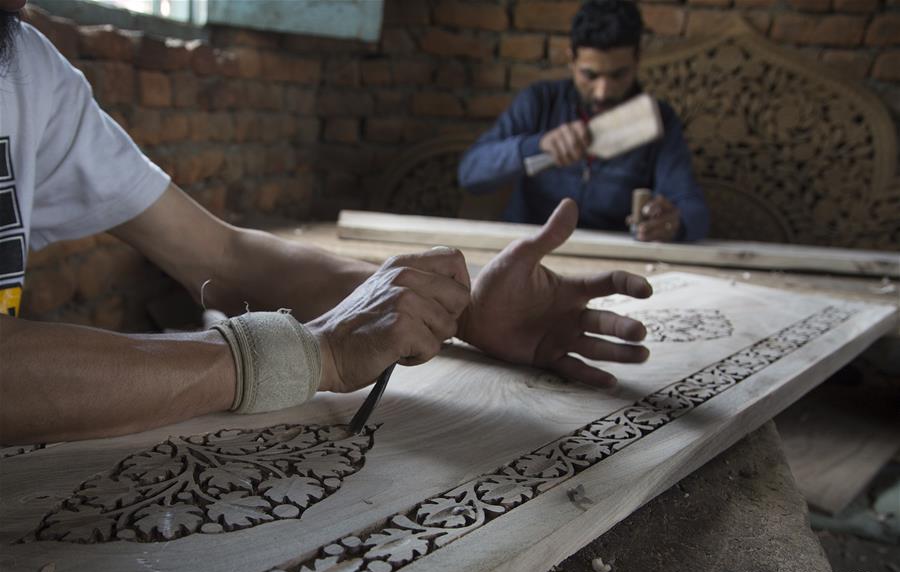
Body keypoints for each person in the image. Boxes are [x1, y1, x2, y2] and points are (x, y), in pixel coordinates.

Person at [0, 2, 654, 446]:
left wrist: (465, 310)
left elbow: (224, 258)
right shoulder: (539, 104)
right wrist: (311, 353)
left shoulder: (24, 66)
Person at [458, 0, 710, 243]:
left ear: (637, 60)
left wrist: (674, 223)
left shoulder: (659, 120)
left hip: (609, 259)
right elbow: (471, 174)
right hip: (526, 249)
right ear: (572, 59)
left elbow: (694, 209)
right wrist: (536, 145)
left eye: (618, 74)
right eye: (590, 75)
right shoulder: (540, 101)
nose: (603, 91)